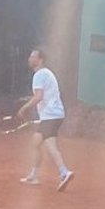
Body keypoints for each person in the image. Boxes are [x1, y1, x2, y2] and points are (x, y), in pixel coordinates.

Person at [16, 48, 73, 188]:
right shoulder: (46, 73)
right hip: (55, 114)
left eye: (32, 56)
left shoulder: (39, 75)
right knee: (36, 143)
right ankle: (34, 176)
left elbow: (39, 96)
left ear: (40, 60)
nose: (29, 58)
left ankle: (64, 172)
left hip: (50, 116)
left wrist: (25, 107)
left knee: (50, 146)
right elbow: (43, 95)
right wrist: (30, 100)